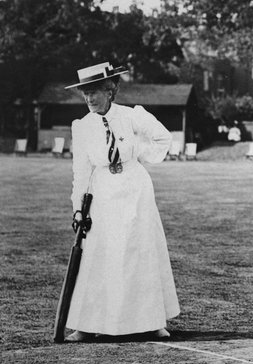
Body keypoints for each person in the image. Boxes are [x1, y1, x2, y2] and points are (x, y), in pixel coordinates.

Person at [63, 61, 180, 341]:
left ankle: (151, 322)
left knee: (139, 252)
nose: (89, 98)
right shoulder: (82, 127)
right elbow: (80, 171)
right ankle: (87, 325)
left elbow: (164, 139)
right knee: (100, 254)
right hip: (102, 192)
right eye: (85, 93)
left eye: (94, 91)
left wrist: (137, 149)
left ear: (110, 90)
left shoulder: (133, 116)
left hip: (134, 188)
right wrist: (78, 208)